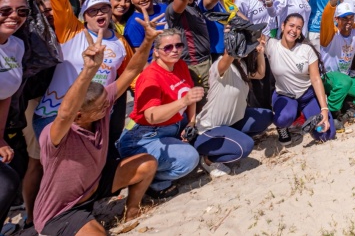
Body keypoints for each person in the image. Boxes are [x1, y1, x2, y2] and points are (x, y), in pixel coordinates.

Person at [34, 14, 159, 236]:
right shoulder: (56, 135)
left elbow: (131, 70)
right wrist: (88, 70)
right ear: (79, 115)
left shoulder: (99, 106)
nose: (106, 109)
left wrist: (148, 40)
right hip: (61, 211)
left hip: (95, 185)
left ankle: (131, 211)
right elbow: (64, 114)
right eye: (100, 108)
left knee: (146, 164)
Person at [33, 0, 133, 139]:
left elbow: (130, 75)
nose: (99, 13)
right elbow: (59, 3)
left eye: (104, 9)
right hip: (55, 114)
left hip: (95, 118)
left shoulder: (120, 42)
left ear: (111, 13)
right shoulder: (72, 31)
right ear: (84, 15)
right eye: (93, 11)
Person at [117, 28, 204, 197]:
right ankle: (149, 181)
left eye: (178, 45)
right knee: (190, 159)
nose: (175, 50)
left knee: (203, 142)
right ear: (156, 52)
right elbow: (152, 115)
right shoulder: (150, 77)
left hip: (174, 126)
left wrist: (191, 122)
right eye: (168, 47)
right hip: (144, 135)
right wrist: (182, 102)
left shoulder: (179, 65)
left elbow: (190, 95)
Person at [193, 35, 273, 176]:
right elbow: (228, 57)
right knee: (245, 147)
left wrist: (260, 51)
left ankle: (230, 141)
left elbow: (260, 74)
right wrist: (236, 41)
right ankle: (208, 160)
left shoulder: (241, 65)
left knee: (265, 117)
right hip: (208, 129)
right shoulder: (221, 65)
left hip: (230, 123)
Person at [266, 14, 333, 146]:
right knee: (283, 118)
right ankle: (284, 125)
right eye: (291, 25)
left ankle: (309, 119)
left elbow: (315, 79)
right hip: (285, 96)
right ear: (283, 26)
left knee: (326, 135)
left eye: (298, 28)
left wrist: (324, 109)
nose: (294, 30)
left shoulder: (306, 50)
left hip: (307, 96)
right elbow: (249, 30)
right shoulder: (271, 45)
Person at [0, 0, 28, 225]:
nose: (14, 16)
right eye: (5, 10)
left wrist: (0, 138)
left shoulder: (16, 46)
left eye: (22, 11)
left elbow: (5, 96)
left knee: (7, 184)